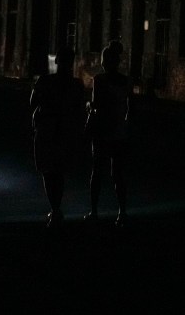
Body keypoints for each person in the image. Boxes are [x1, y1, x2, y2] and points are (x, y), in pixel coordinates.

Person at [29, 46, 85, 229]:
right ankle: (56, 208)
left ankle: (54, 208)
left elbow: (32, 102)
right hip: (65, 132)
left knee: (47, 170)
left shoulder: (45, 81)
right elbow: (79, 112)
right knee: (59, 171)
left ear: (57, 61)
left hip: (46, 129)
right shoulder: (77, 85)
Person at [86, 41, 130, 227]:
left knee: (97, 172)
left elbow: (96, 105)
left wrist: (88, 106)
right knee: (118, 174)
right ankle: (122, 211)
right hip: (119, 130)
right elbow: (131, 107)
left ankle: (94, 211)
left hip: (102, 130)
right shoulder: (126, 81)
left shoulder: (99, 80)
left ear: (104, 62)